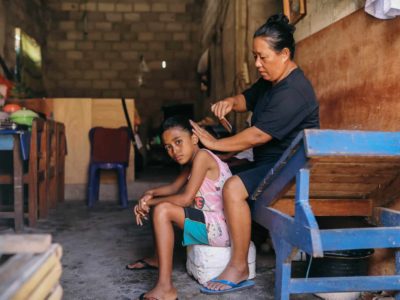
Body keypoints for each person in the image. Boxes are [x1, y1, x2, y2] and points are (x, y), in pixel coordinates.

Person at [190, 13, 320, 294]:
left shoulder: (294, 91)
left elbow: (257, 135)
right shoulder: (272, 81)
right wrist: (228, 102)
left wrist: (214, 143)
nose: (257, 64)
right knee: (215, 171)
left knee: (233, 187)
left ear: (284, 54)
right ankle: (214, 237)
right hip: (271, 164)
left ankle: (239, 266)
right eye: (255, 56)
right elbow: (246, 99)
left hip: (289, 171)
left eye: (263, 57)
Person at [129, 116, 232, 300]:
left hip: (219, 229)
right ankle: (157, 258)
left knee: (162, 209)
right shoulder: (192, 161)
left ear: (194, 138)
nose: (174, 151)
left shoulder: (203, 156)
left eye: (178, 142)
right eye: (168, 147)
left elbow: (185, 199)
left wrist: (147, 203)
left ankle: (165, 288)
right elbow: (172, 188)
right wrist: (148, 194)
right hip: (208, 222)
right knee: (160, 204)